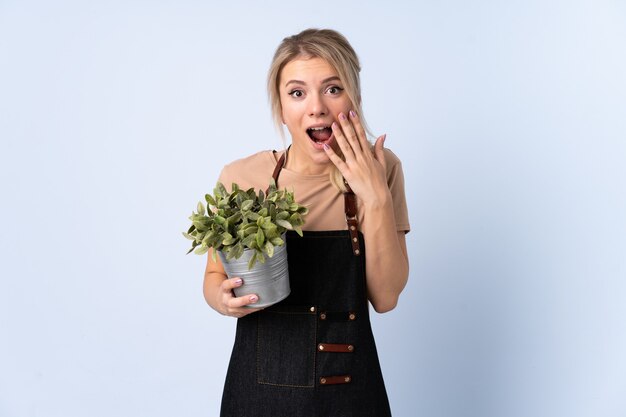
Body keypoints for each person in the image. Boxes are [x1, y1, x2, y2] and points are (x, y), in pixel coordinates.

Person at [203, 28, 410, 417]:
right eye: (297, 93)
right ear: (281, 107)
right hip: (257, 397)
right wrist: (223, 300)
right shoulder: (242, 178)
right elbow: (214, 278)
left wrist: (376, 197)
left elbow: (385, 298)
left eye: (333, 89)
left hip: (349, 397)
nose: (316, 107)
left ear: (355, 97)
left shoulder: (384, 167)